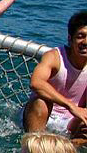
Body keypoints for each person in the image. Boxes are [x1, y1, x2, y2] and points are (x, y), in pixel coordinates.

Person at [22, 10, 87, 144]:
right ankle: (35, 148)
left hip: (71, 122)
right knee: (42, 102)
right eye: (81, 36)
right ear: (70, 39)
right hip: (41, 116)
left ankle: (67, 149)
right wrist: (71, 106)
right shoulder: (55, 57)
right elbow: (36, 83)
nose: (85, 42)